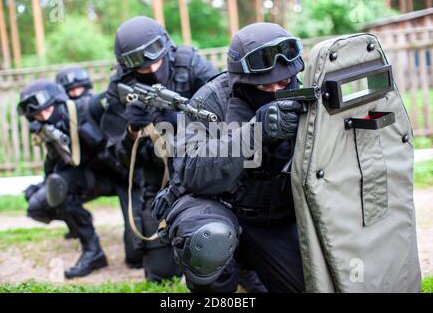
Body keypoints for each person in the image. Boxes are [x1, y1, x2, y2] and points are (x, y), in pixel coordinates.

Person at [152, 22, 306, 292]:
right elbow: (192, 170)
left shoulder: (306, 97)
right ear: (244, 82)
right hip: (217, 207)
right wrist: (254, 134)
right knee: (210, 240)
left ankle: (248, 266)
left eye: (285, 82)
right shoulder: (210, 100)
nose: (279, 90)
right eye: (267, 86)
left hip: (273, 217)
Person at [99, 15, 219, 282]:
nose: (152, 69)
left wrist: (184, 125)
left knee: (215, 252)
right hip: (157, 182)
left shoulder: (190, 63)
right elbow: (116, 155)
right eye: (143, 68)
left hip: (202, 170)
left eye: (156, 61)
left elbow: (227, 114)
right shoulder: (120, 85)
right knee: (160, 273)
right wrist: (132, 130)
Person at [19, 79, 135, 279]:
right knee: (47, 197)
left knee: (136, 257)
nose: (41, 115)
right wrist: (43, 184)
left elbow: (115, 96)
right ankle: (92, 250)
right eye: (35, 113)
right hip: (98, 180)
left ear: (57, 100)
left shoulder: (86, 108)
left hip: (131, 179)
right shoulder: (50, 130)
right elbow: (54, 163)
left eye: (44, 108)